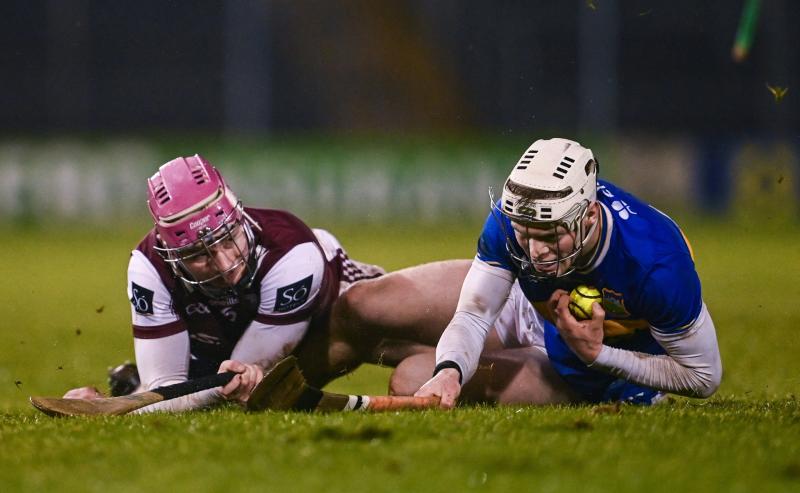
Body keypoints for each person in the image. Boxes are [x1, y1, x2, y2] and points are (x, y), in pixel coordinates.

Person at [408, 137, 723, 408]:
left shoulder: (655, 263)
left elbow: (704, 376)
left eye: (550, 236)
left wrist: (599, 355)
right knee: (370, 305)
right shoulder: (515, 215)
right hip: (527, 302)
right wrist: (449, 372)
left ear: (589, 216)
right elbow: (474, 316)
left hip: (583, 361)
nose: (535, 252)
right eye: (525, 234)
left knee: (408, 378)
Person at [65, 154, 386, 412]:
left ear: (239, 218)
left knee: (384, 328)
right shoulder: (150, 268)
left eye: (228, 239)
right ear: (170, 252)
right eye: (196, 255)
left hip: (327, 327)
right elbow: (167, 392)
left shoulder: (292, 255)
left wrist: (127, 405)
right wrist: (139, 400)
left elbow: (233, 380)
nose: (225, 264)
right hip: (221, 342)